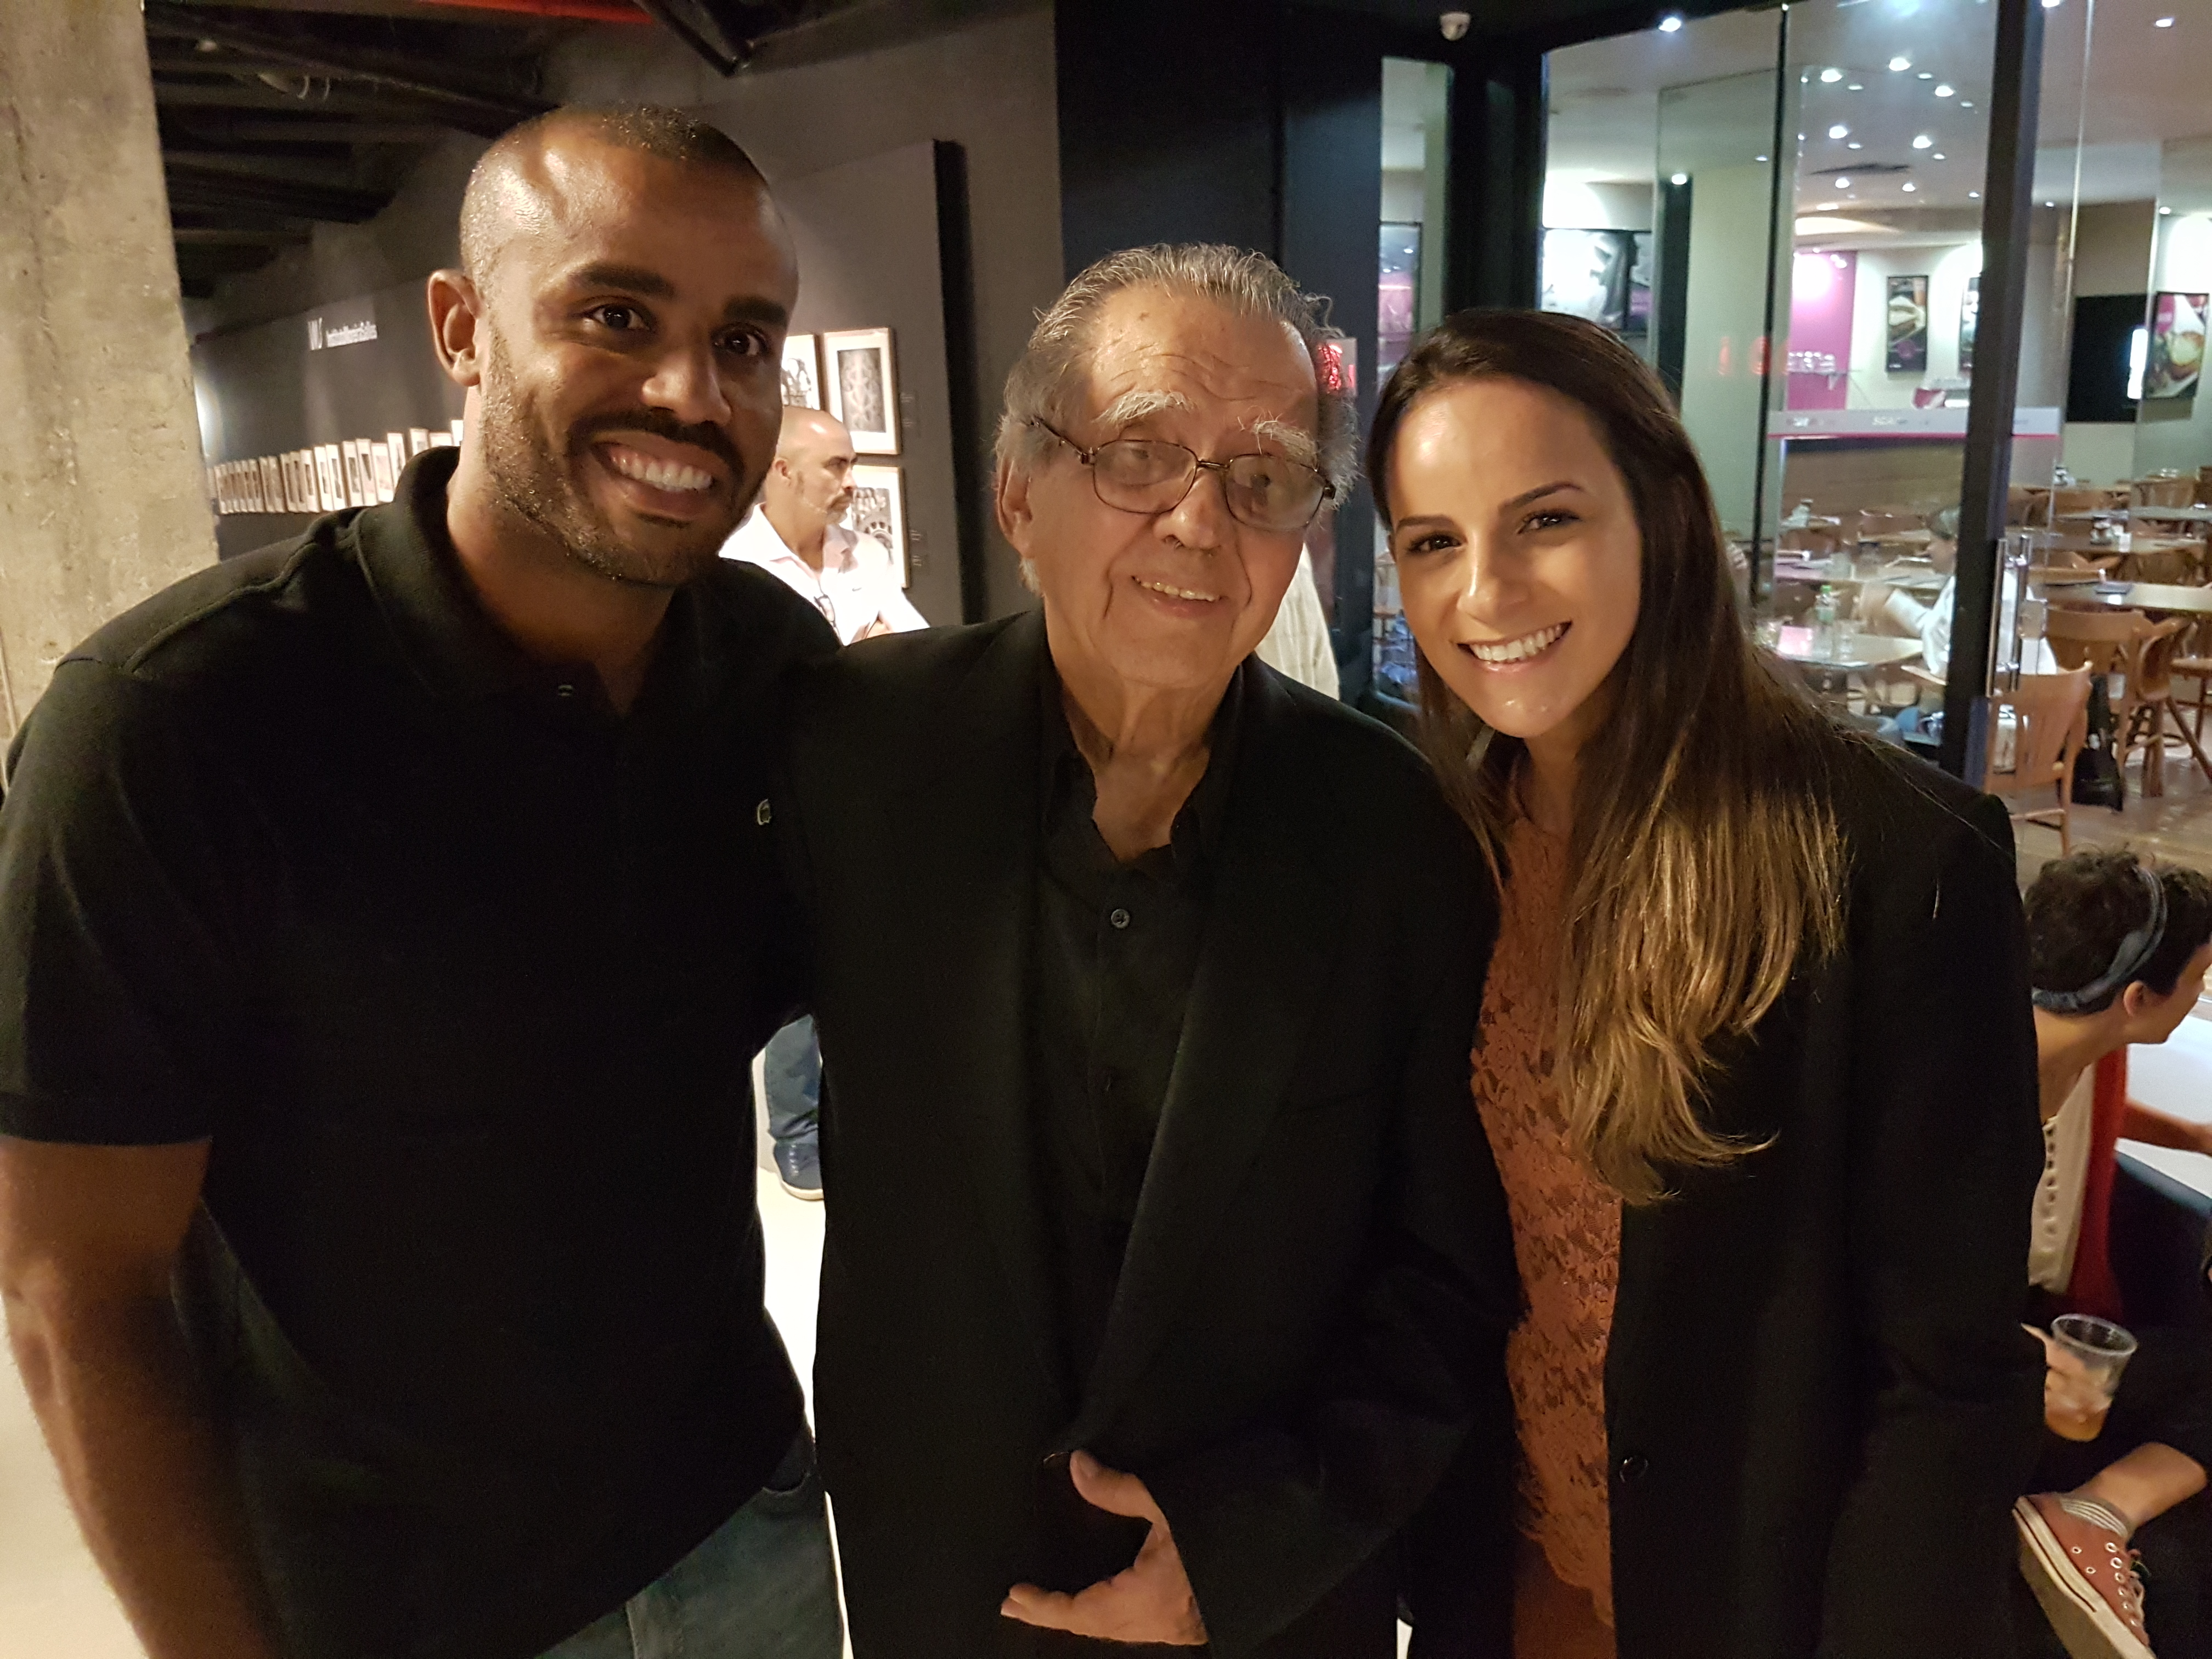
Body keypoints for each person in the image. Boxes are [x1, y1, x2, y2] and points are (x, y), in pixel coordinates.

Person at [0, 106, 843, 1659]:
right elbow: (78, 1288)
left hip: (747, 1531)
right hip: (396, 1602)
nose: (691, 392)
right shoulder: (176, 721)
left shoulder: (768, 667)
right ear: (462, 329)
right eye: (616, 315)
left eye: (743, 341)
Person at [777, 243, 1521, 1657]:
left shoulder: (1392, 828)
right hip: (951, 1583)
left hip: (1265, 1604)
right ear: (1018, 494)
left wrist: (1256, 1540)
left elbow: (1450, 1271)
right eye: (1137, 454)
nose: (1199, 523)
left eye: (1264, 479)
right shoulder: (855, 753)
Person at [1374, 309, 2045, 1658]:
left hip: (1753, 1602)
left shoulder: (1890, 860)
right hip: (1505, 1576)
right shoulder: (1437, 846)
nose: (1485, 592)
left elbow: (1948, 1380)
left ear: (1663, 516)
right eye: (1433, 542)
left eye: (1545, 520)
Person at [725, 404, 929, 1199]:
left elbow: (914, 646)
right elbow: (761, 692)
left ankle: (858, 1113)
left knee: (861, 955)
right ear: (782, 471)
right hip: (778, 797)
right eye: (836, 465)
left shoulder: (862, 553)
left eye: (851, 463)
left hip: (867, 788)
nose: (851, 481)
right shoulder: (735, 569)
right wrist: (858, 660)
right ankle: (797, 1133)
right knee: (796, 969)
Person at [2015, 850, 2212, 1659]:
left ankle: (2097, 1515)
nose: (2200, 995)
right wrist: (2027, 1355)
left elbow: (2095, 1114)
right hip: (1994, 1366)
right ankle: (2093, 1512)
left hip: (2054, 1327)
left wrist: (2196, 1136)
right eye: (2198, 980)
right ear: (2138, 999)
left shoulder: (2083, 1037)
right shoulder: (1964, 1104)